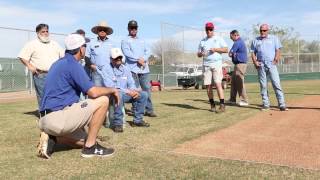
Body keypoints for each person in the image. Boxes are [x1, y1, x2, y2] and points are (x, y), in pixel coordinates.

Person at [37, 34, 120, 159]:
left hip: (45, 120)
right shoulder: (73, 64)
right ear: (81, 49)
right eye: (85, 46)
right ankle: (90, 148)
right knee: (103, 100)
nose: (85, 48)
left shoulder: (58, 63)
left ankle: (52, 137)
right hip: (58, 117)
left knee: (85, 140)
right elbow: (93, 92)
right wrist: (113, 89)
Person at [99, 48, 150, 133]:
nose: (118, 59)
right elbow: (111, 86)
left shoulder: (126, 69)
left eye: (120, 57)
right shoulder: (106, 69)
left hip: (126, 93)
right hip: (111, 95)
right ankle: (118, 124)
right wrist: (128, 91)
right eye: (116, 58)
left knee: (144, 94)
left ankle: (138, 120)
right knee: (118, 94)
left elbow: (131, 83)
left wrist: (134, 91)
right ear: (111, 59)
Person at [18, 23, 64, 110]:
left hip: (55, 74)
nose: (46, 33)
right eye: (43, 32)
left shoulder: (54, 44)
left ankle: (55, 114)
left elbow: (63, 56)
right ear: (38, 33)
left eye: (47, 31)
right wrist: (30, 66)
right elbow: (22, 56)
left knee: (56, 94)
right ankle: (44, 115)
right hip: (40, 74)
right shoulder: (32, 44)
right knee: (43, 95)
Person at [121, 20, 157, 117]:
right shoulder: (125, 40)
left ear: (137, 29)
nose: (133, 29)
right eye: (131, 28)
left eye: (135, 28)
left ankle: (149, 110)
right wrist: (138, 60)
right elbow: (127, 53)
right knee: (134, 90)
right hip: (131, 70)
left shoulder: (142, 40)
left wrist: (143, 59)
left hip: (144, 69)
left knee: (147, 89)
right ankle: (135, 110)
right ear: (128, 29)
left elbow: (148, 51)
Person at [250, 24, 288, 111]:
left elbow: (278, 50)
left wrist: (276, 59)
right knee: (263, 85)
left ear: (268, 30)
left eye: (264, 30)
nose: (262, 32)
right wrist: (255, 62)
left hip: (271, 64)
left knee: (276, 84)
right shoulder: (255, 40)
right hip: (261, 65)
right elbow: (252, 52)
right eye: (261, 30)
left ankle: (282, 104)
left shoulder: (274, 38)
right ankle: (266, 104)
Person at [197, 22, 228, 113]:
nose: (209, 31)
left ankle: (222, 105)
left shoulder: (218, 39)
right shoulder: (202, 41)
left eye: (210, 29)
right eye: (207, 29)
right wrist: (200, 53)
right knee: (208, 85)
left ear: (213, 29)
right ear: (205, 30)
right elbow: (198, 54)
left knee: (218, 84)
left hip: (216, 64)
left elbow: (226, 49)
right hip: (206, 65)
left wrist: (215, 49)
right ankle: (212, 104)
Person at [85, 21, 114, 86]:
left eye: (104, 30)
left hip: (109, 72)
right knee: (98, 94)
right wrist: (91, 66)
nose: (102, 31)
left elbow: (116, 57)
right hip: (96, 72)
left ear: (107, 32)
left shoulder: (112, 44)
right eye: (100, 29)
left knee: (109, 93)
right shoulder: (91, 43)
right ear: (97, 31)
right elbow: (86, 57)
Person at [228, 30, 249, 106]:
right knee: (233, 82)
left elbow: (230, 53)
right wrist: (233, 54)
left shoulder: (237, 42)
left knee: (240, 82)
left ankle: (244, 100)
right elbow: (231, 53)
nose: (231, 39)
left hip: (240, 64)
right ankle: (232, 99)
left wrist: (232, 54)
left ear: (235, 35)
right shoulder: (239, 42)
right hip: (238, 64)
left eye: (231, 37)